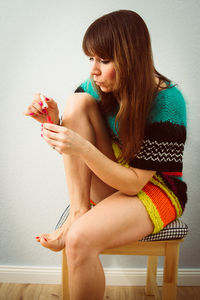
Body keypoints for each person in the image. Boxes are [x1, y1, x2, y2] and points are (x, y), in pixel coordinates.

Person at [24, 10, 187, 300]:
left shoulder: (167, 102)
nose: (93, 70)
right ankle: (78, 211)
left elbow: (134, 184)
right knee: (76, 103)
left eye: (104, 60)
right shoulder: (95, 88)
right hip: (115, 175)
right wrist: (53, 122)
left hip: (156, 190)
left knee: (79, 239)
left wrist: (82, 147)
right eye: (91, 59)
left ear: (130, 58)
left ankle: (76, 225)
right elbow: (74, 149)